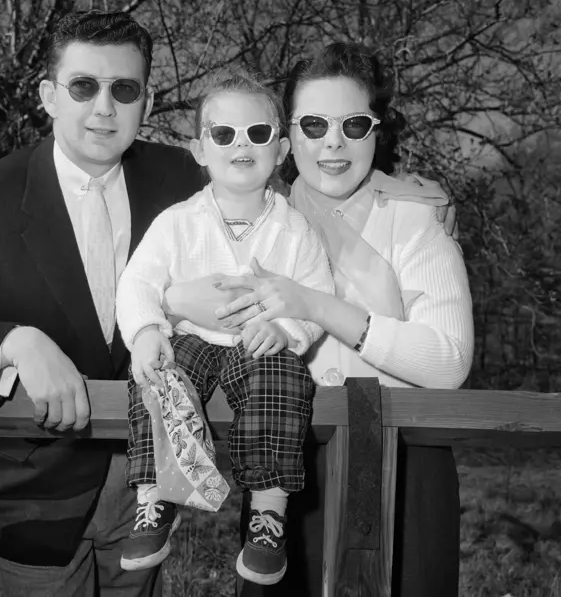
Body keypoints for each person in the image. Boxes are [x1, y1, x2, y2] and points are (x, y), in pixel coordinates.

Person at [0, 10, 205, 597]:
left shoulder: (186, 180)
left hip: (152, 487)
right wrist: (9, 344)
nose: (104, 108)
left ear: (148, 100)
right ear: (48, 96)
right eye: (83, 86)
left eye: (124, 89)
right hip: (31, 493)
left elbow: (274, 210)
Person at [164, 42, 474, 596]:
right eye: (313, 124)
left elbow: (448, 363)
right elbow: (177, 298)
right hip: (289, 469)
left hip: (406, 466)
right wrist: (170, 299)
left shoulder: (414, 220)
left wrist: (316, 306)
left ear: (376, 131)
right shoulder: (256, 217)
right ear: (288, 138)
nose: (333, 141)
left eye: (353, 124)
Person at [114, 70, 335, 586]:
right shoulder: (177, 222)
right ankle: (156, 498)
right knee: (160, 376)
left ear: (280, 150)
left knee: (281, 378)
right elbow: (138, 282)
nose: (241, 144)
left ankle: (267, 515)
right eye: (223, 134)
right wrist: (147, 331)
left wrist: (289, 331)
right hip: (191, 337)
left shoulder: (295, 229)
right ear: (198, 149)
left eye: (257, 134)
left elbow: (315, 294)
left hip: (258, 343)